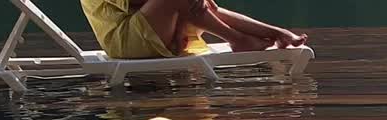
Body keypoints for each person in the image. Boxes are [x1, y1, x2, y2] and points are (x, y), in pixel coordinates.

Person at [80, 0, 308, 60]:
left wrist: (179, 26)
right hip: (125, 41)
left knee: (201, 4)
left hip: (149, 31)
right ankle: (238, 39)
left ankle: (275, 32)